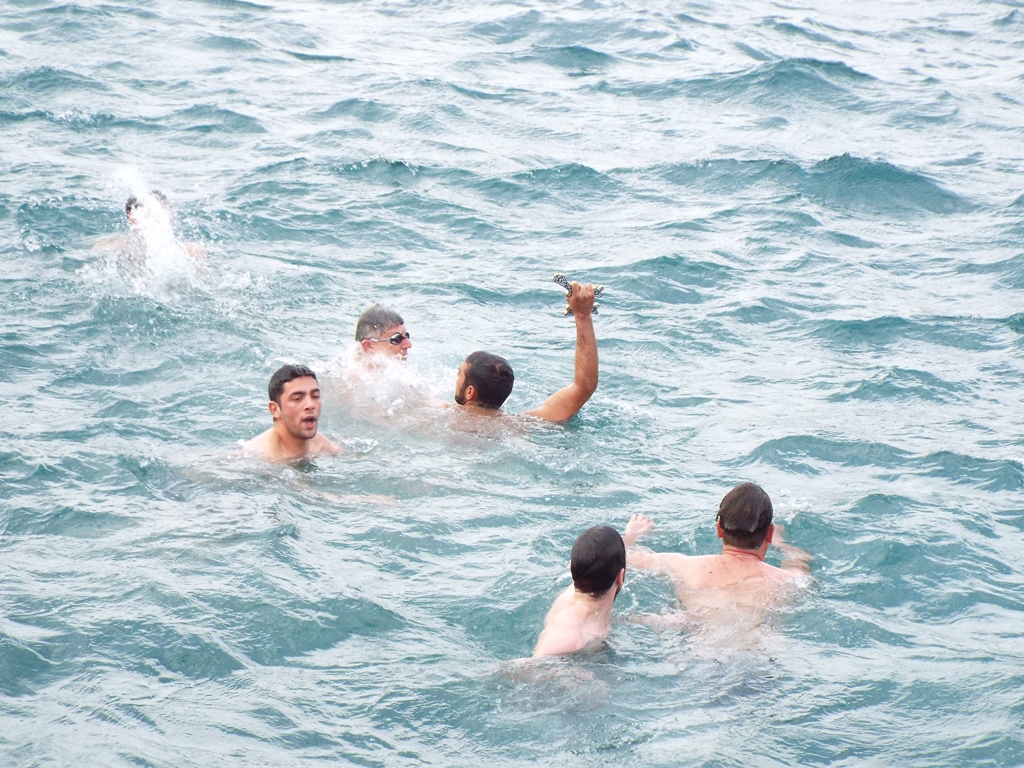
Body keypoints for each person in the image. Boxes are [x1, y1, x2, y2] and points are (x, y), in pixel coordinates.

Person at [623, 482, 810, 627]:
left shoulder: (681, 565)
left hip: (694, 648)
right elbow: (801, 563)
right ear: (769, 533)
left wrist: (632, 535)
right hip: (758, 655)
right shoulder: (787, 579)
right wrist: (782, 543)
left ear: (719, 529)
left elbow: (622, 556)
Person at [453, 281, 598, 422]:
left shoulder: (444, 414)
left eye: (460, 373)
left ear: (470, 392)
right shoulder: (520, 425)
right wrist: (583, 316)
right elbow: (583, 387)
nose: (456, 375)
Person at [533, 525, 626, 657]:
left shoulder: (585, 577)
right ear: (621, 576)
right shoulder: (570, 639)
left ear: (571, 568)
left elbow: (603, 557)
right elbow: (530, 665)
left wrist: (632, 535)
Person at [243, 364, 339, 462]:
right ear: (275, 409)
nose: (310, 405)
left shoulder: (323, 446)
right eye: (297, 398)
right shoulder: (259, 458)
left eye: (315, 396)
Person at [93, 189, 207, 264]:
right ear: (132, 216)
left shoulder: (193, 252)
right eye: (152, 212)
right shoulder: (113, 248)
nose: (161, 217)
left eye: (165, 211)